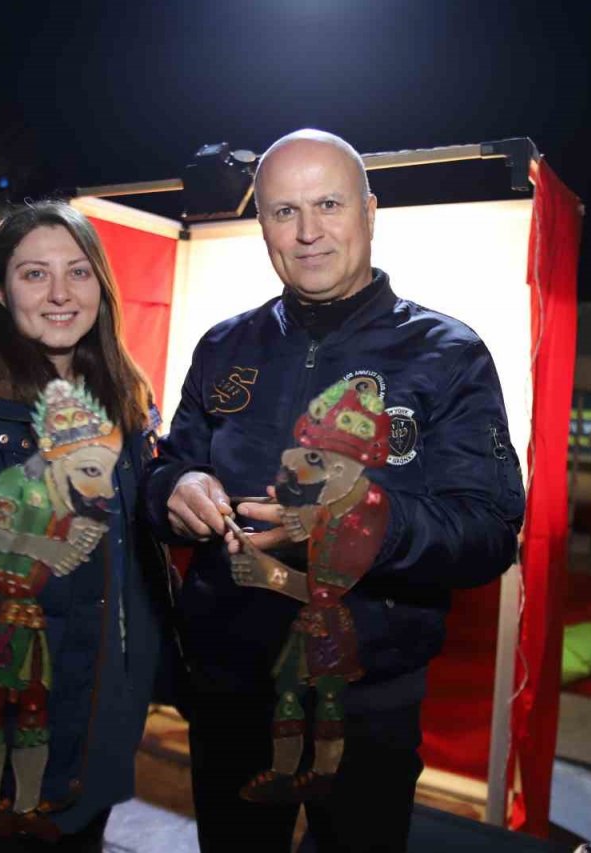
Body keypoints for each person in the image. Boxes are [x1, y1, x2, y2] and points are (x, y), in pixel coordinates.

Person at [141, 129, 525, 853]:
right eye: (284, 211)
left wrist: (361, 523)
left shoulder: (449, 353)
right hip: (229, 685)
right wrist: (173, 486)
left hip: (367, 698)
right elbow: (166, 467)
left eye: (327, 204)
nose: (308, 231)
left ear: (369, 212)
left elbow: (489, 529)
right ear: (262, 227)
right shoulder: (223, 345)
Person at [0, 200, 170, 851]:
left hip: (106, 692)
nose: (60, 295)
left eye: (77, 272)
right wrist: (43, 477)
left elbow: (129, 539)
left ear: (101, 284)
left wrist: (183, 488)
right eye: (34, 274)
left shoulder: (122, 393)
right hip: (22, 696)